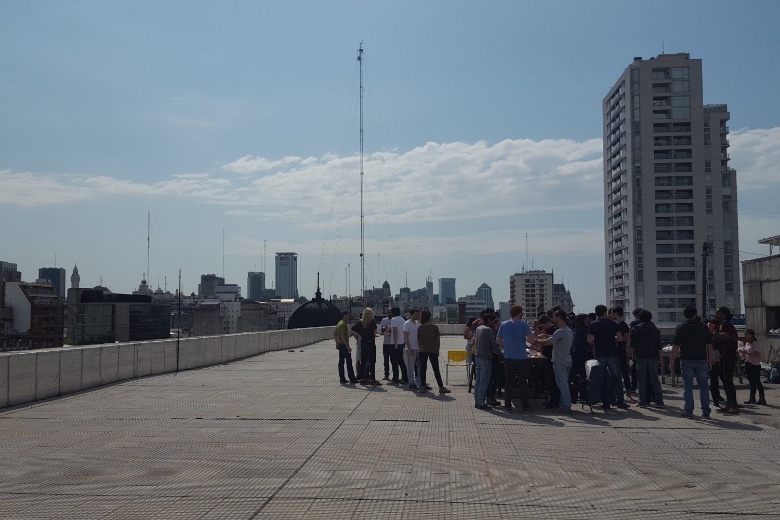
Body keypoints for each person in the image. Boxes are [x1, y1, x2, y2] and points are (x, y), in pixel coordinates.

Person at [670, 306, 713, 418]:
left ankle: (689, 411)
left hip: (686, 359)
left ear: (685, 315)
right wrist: (710, 360)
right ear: (695, 314)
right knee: (703, 386)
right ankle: (706, 411)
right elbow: (709, 346)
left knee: (687, 387)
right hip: (701, 359)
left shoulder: (680, 328)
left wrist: (671, 361)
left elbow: (675, 346)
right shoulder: (703, 327)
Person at [587, 305, 629, 409]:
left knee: (602, 378)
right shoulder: (613, 324)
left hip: (599, 353)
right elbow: (620, 338)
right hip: (612, 353)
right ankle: (620, 401)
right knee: (617, 378)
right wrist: (612, 339)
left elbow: (589, 340)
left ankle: (605, 403)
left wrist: (597, 341)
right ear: (605, 313)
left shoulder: (592, 324)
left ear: (596, 313)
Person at [496, 304, 536, 412]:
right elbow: (531, 339)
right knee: (523, 383)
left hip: (508, 357)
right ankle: (525, 405)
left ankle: (508, 405)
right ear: (519, 314)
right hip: (521, 357)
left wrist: (506, 345)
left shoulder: (503, 324)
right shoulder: (523, 324)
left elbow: (498, 339)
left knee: (508, 383)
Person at [537, 310, 574, 412]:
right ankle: (564, 403)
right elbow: (554, 338)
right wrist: (545, 336)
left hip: (559, 360)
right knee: (564, 383)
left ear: (557, 318)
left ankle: (565, 405)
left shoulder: (559, 331)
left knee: (561, 384)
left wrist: (536, 340)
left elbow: (549, 342)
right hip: (567, 359)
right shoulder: (568, 330)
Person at [629, 310, 664, 407]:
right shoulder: (655, 330)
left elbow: (632, 346)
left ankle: (642, 401)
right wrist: (661, 360)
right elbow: (659, 347)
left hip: (640, 356)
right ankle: (659, 401)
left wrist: (630, 357)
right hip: (653, 356)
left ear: (639, 318)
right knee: (655, 379)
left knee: (641, 380)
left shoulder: (635, 329)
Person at [417, 310, 450, 394]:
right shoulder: (434, 327)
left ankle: (423, 386)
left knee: (423, 369)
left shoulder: (420, 327)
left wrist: (420, 347)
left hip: (422, 350)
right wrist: (437, 350)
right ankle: (441, 387)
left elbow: (418, 340)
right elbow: (437, 340)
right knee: (436, 369)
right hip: (433, 350)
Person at [714, 306, 739, 414]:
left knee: (728, 380)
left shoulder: (727, 325)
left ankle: (734, 405)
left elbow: (724, 336)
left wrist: (712, 335)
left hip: (729, 354)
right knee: (725, 379)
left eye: (718, 313)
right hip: (723, 354)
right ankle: (729, 404)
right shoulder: (722, 325)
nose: (716, 315)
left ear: (724, 314)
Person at [474, 313, 500, 410]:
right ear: (489, 320)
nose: (494, 322)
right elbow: (494, 346)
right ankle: (481, 402)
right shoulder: (488, 330)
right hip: (485, 358)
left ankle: (477, 401)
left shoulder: (479, 328)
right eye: (493, 320)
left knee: (478, 381)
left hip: (478, 357)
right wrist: (502, 355)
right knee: (484, 381)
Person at [610, 306, 634, 403]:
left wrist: (614, 339)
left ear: (616, 313)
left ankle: (628, 394)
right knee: (614, 375)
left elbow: (626, 338)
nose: (611, 315)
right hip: (614, 352)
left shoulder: (623, 325)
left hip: (621, 352)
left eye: (612, 313)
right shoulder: (613, 324)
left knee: (624, 373)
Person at [352, 307, 380, 385]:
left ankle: (363, 377)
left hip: (363, 343)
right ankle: (372, 378)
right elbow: (375, 333)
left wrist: (360, 335)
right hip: (370, 343)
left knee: (364, 361)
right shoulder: (372, 322)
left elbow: (353, 329)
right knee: (372, 361)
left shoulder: (361, 322)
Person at [569, 313, 592, 404]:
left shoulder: (578, 330)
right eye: (585, 319)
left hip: (578, 355)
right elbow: (580, 344)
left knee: (579, 376)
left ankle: (580, 395)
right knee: (582, 376)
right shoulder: (582, 331)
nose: (587, 321)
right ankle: (583, 395)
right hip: (580, 356)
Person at [742, 329, 767, 405]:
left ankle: (762, 398)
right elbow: (745, 354)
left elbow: (757, 354)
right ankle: (752, 398)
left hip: (755, 364)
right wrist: (743, 353)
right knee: (751, 382)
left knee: (757, 381)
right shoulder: (746, 343)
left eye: (747, 334)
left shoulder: (755, 343)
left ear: (751, 335)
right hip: (748, 363)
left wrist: (748, 353)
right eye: (745, 334)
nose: (745, 336)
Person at [334, 310, 358, 384]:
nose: (349, 316)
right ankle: (352, 378)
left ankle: (342, 378)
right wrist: (347, 346)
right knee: (348, 361)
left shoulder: (339, 323)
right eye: (348, 315)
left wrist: (336, 342)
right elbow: (342, 335)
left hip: (340, 344)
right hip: (343, 345)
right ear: (344, 315)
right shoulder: (343, 324)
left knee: (341, 361)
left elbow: (335, 333)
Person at [403, 309, 421, 390]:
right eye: (416, 314)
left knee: (420, 367)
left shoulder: (417, 323)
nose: (417, 316)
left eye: (418, 314)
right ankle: (411, 383)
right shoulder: (407, 324)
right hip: (411, 349)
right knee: (411, 367)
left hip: (418, 348)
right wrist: (409, 349)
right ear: (411, 315)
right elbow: (406, 337)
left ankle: (421, 383)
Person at [379, 308, 394, 380]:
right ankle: (386, 374)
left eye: (390, 312)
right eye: (388, 312)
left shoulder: (394, 320)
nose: (389, 313)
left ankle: (395, 375)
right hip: (386, 343)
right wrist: (384, 328)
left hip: (393, 342)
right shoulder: (384, 320)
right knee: (386, 360)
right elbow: (381, 331)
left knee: (394, 359)